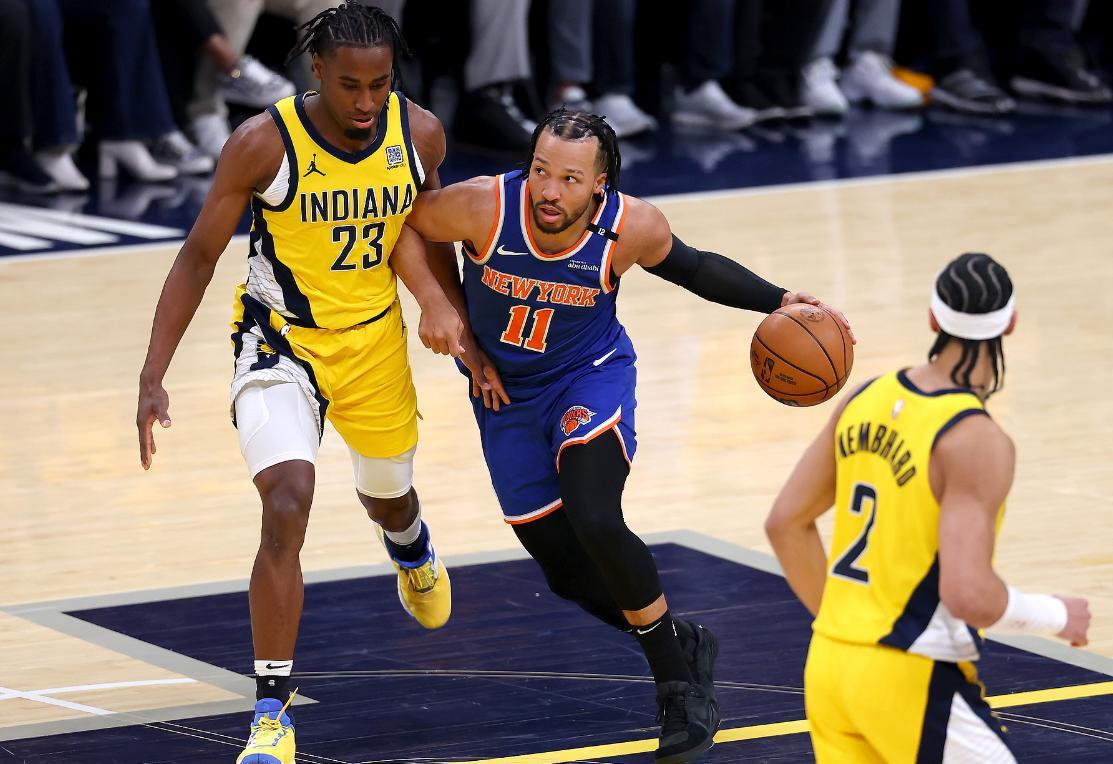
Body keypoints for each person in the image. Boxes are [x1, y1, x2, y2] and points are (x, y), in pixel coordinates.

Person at [403, 108, 853, 763]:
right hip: (505, 395)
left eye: (569, 179)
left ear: (600, 184)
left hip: (588, 378)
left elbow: (695, 267)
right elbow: (402, 227)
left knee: (594, 514)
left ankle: (678, 690)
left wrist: (778, 299)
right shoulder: (483, 207)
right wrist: (439, 306)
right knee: (565, 572)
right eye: (540, 171)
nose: (548, 191)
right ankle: (681, 641)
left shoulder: (630, 227)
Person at [136, 5, 473, 762]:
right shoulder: (262, 143)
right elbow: (198, 256)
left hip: (373, 344)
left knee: (387, 496)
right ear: (315, 71)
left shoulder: (418, 134)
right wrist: (153, 374)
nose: (366, 101)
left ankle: (409, 545)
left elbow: (428, 232)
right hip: (278, 340)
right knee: (286, 503)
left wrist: (454, 321)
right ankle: (271, 715)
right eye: (350, 85)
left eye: (379, 85)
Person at [765, 252, 1090, 762]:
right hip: (907, 674)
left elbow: (785, 523)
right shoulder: (976, 438)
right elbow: (968, 594)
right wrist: (1057, 614)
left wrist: (851, 633)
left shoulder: (866, 397)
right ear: (1011, 323)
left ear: (934, 318)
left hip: (828, 664)